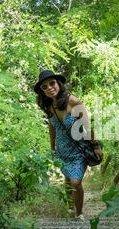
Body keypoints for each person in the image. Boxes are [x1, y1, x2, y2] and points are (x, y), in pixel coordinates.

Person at [34, 70, 102, 220]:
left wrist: (95, 145)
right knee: (67, 178)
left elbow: (87, 126)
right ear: (42, 91)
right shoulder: (49, 105)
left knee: (75, 182)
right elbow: (52, 127)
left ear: (58, 83)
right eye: (45, 87)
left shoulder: (74, 102)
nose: (50, 87)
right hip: (62, 150)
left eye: (52, 83)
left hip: (78, 149)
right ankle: (71, 207)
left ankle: (79, 214)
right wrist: (52, 148)